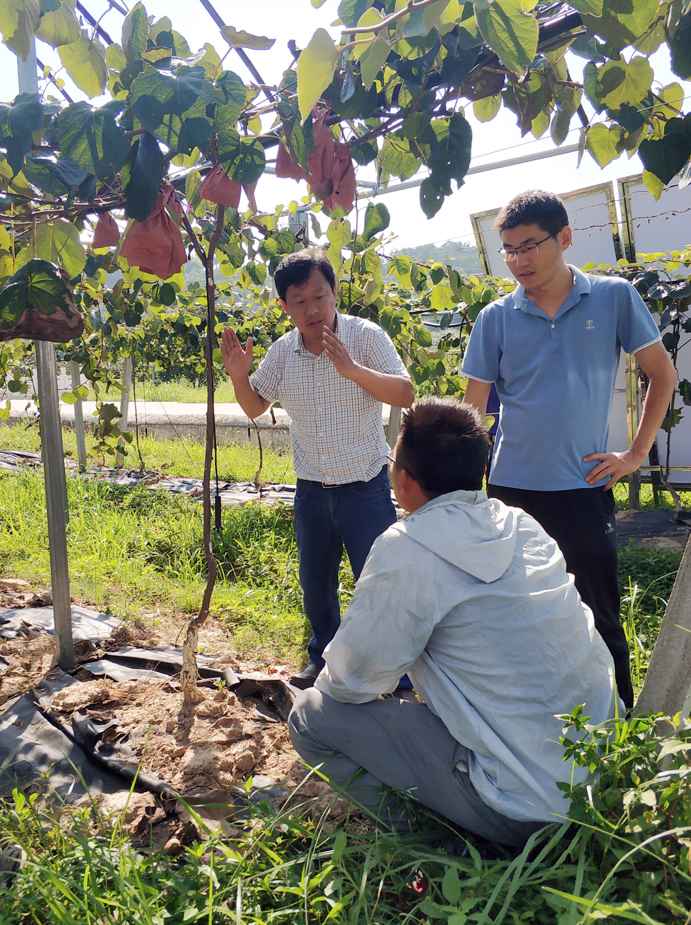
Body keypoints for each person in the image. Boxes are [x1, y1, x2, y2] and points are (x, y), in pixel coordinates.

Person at [289, 398, 618, 846]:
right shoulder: (523, 526)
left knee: (312, 719)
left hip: (524, 809)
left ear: (404, 483)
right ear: (480, 473)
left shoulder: (408, 546)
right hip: (602, 784)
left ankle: (435, 840)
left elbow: (349, 681)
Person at [461, 190, 676, 709]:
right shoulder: (497, 317)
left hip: (583, 486)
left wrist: (632, 455)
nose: (518, 262)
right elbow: (474, 414)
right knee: (515, 608)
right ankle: (530, 718)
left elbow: (662, 375)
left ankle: (618, 721)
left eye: (529, 246)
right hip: (512, 490)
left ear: (565, 238)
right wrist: (468, 494)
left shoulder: (613, 297)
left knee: (597, 609)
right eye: (509, 250)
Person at [221, 248, 414, 689]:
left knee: (378, 585)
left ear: (335, 294)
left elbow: (404, 393)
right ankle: (322, 660)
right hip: (311, 490)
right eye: (300, 301)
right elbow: (255, 406)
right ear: (283, 307)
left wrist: (351, 369)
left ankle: (391, 673)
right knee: (316, 585)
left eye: (320, 297)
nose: (313, 310)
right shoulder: (283, 353)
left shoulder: (365, 337)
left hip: (364, 489)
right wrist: (238, 377)